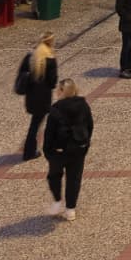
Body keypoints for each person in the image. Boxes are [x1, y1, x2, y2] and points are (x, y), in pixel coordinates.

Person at [43, 78, 93, 221]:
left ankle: (58, 202)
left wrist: (47, 152)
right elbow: (90, 125)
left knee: (54, 176)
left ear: (61, 91)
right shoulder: (83, 105)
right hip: (78, 148)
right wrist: (86, 143)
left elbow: (49, 133)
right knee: (74, 178)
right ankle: (71, 209)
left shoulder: (56, 109)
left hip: (59, 151)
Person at [17, 31, 58, 161]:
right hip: (44, 98)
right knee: (35, 125)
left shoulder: (31, 57)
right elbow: (52, 82)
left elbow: (22, 73)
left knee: (35, 123)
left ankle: (30, 149)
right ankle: (29, 151)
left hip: (31, 97)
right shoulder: (50, 60)